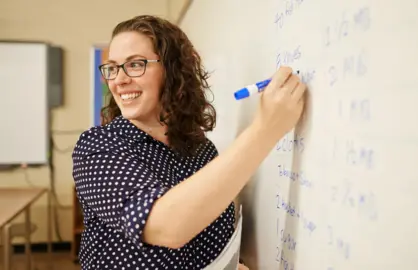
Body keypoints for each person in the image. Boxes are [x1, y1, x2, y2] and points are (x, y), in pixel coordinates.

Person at [72, 14, 306, 270]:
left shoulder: (201, 150)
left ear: (172, 70)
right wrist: (266, 129)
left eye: (135, 64)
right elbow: (168, 227)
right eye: (112, 68)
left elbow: (206, 236)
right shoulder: (97, 148)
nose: (118, 80)